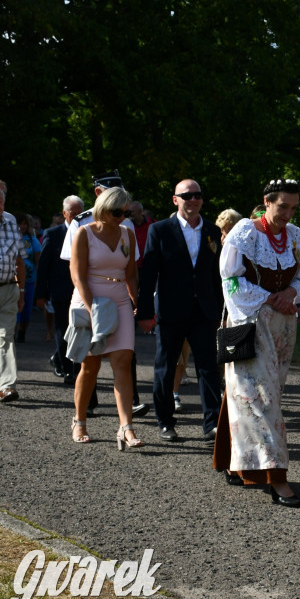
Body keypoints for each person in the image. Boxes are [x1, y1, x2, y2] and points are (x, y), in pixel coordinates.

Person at [211, 179, 300, 506]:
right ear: (267, 202)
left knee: (259, 395)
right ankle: (275, 478)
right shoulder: (245, 233)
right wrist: (271, 299)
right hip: (250, 323)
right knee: (260, 397)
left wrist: (291, 294)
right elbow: (231, 280)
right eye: (283, 207)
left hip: (282, 327)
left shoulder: (295, 236)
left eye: (294, 208)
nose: (288, 214)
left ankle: (230, 459)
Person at [136, 179, 223, 443]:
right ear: (176, 200)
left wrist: (220, 309)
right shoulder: (160, 230)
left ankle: (212, 424)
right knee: (166, 366)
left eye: (197, 195)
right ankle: (165, 422)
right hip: (172, 310)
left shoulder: (212, 230)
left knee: (208, 368)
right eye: (187, 195)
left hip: (204, 310)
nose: (193, 200)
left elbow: (217, 274)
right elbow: (149, 273)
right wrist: (144, 312)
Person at [61, 170, 148, 418]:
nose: (122, 217)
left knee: (122, 362)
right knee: (90, 366)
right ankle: (80, 418)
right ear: (103, 205)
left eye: (126, 212)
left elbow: (131, 271)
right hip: (91, 297)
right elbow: (76, 272)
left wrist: (136, 302)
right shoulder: (81, 226)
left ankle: (126, 427)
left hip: (119, 297)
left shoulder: (127, 230)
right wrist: (92, 307)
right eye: (117, 212)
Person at [36, 196, 85, 385]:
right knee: (62, 330)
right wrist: (41, 294)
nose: (76, 216)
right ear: (64, 213)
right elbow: (44, 266)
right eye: (73, 213)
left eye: (80, 213)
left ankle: (72, 364)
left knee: (80, 330)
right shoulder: (53, 233)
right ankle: (67, 369)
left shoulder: (89, 231)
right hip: (60, 291)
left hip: (82, 291)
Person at [0, 188, 26, 403]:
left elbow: (20, 260)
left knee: (6, 336)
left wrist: (22, 291)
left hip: (9, 288)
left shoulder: (10, 221)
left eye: (0, 202)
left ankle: (7, 385)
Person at [14, 213, 41, 343]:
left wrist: (38, 279)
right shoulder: (10, 238)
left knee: (26, 309)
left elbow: (37, 260)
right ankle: (12, 332)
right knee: (14, 308)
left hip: (30, 280)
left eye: (25, 224)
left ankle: (22, 330)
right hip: (12, 280)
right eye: (20, 223)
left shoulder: (32, 240)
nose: (22, 226)